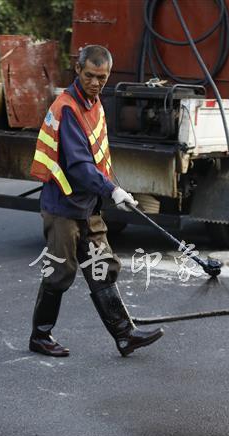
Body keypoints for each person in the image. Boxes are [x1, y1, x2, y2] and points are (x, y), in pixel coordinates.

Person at [27, 44, 164, 358]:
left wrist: (114, 188)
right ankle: (40, 335)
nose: (95, 82)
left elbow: (99, 157)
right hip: (63, 205)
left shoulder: (94, 103)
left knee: (101, 265)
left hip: (87, 205)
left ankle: (124, 335)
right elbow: (79, 166)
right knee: (60, 272)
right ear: (77, 70)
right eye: (89, 75)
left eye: (102, 77)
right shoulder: (68, 108)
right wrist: (112, 191)